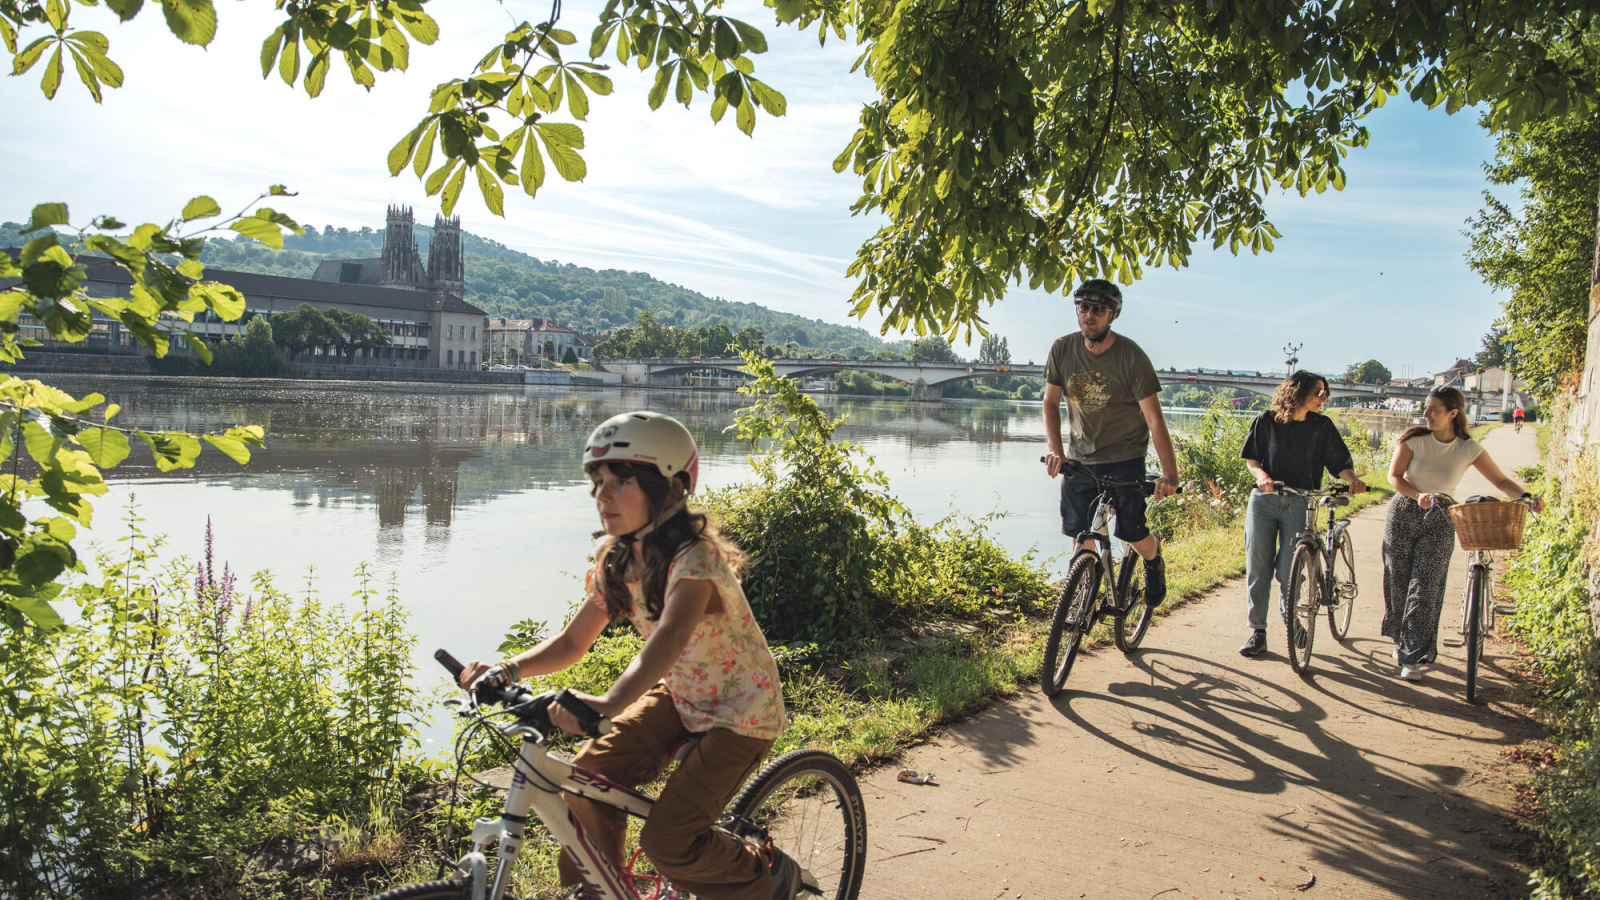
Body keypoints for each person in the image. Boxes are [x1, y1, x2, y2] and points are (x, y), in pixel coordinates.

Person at [458, 411, 795, 900]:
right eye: (597, 483)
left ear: (669, 489)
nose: (603, 497)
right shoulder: (619, 560)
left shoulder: (696, 560)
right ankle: (604, 890)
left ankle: (765, 875)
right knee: (585, 783)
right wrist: (509, 668)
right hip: (682, 695)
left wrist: (607, 704)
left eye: (621, 481)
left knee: (669, 841)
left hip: (742, 712)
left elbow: (668, 642)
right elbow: (575, 642)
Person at [1382, 387, 1542, 681]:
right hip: (1404, 511)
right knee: (1398, 579)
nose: (1426, 414)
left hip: (1442, 517)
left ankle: (1413, 657)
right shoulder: (1413, 440)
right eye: (1426, 408)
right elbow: (1393, 477)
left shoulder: (1469, 448)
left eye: (1433, 410)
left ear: (1453, 413)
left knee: (1426, 586)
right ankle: (1400, 639)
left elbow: (1500, 480)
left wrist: (1528, 497)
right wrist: (1417, 495)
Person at [1042, 279, 1180, 606]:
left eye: (1097, 309)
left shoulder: (1131, 356)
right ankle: (1081, 599)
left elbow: (1154, 419)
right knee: (1081, 534)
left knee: (1132, 531)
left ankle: (1152, 562)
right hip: (1080, 460)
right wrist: (1056, 450)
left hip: (1125, 458)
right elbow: (1050, 402)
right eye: (1083, 307)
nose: (1088, 315)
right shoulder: (1062, 348)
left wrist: (1170, 473)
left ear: (1112, 315)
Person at [1236, 371, 1368, 657]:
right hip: (1264, 501)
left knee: (1288, 571)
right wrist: (1261, 476)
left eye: (1325, 392)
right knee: (1258, 568)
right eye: (1318, 392)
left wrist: (1352, 478)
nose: (1324, 398)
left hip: (1300, 501)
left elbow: (1338, 463)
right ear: (1298, 391)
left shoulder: (1322, 427)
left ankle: (1291, 618)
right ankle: (1257, 632)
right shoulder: (1266, 421)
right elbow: (1252, 459)